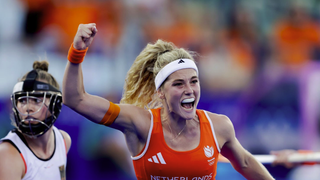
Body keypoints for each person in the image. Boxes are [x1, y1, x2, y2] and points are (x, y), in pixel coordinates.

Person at [63, 23, 274, 180]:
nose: (189, 90)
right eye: (178, 84)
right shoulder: (141, 123)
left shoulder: (219, 126)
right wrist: (77, 52)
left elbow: (245, 162)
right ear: (161, 92)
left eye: (194, 81)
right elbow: (75, 99)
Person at [0, 60, 71, 180]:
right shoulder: (8, 154)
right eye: (23, 100)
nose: (28, 108)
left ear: (55, 104)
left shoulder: (63, 141)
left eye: (37, 100)